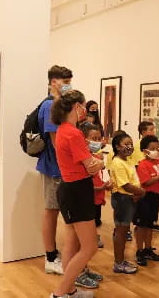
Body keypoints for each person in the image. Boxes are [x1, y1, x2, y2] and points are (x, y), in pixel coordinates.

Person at [50, 90, 104, 298]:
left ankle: (69, 291)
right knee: (89, 247)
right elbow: (91, 166)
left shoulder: (64, 130)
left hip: (70, 190)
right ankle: (60, 292)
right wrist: (100, 162)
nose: (85, 110)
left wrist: (93, 161)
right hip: (76, 191)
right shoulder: (72, 133)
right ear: (76, 107)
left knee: (72, 243)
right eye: (82, 106)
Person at [37, 65, 73, 275]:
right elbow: (55, 140)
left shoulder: (59, 104)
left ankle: (55, 254)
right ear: (53, 82)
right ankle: (50, 257)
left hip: (59, 167)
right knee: (51, 211)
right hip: (54, 168)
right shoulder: (51, 106)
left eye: (69, 80)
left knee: (55, 210)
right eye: (64, 80)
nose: (67, 84)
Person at [110, 132, 146, 274]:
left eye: (131, 143)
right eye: (126, 144)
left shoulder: (127, 160)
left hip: (129, 199)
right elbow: (125, 185)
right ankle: (118, 263)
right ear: (118, 147)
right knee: (121, 231)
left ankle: (120, 260)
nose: (130, 147)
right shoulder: (117, 162)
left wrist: (137, 193)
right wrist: (141, 192)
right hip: (122, 199)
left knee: (124, 231)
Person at [133, 135, 159, 266]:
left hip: (155, 196)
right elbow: (146, 182)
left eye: (157, 148)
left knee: (150, 224)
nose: (156, 151)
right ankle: (139, 250)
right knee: (141, 225)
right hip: (144, 197)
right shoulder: (143, 164)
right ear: (145, 150)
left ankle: (148, 248)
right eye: (152, 148)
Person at [130, 121, 159, 233]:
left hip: (155, 193)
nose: (153, 132)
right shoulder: (142, 161)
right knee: (143, 220)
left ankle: (150, 232)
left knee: (151, 219)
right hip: (144, 193)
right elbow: (145, 180)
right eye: (151, 129)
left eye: (157, 149)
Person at [80, 123, 112, 248]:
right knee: (89, 220)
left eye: (99, 139)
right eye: (94, 139)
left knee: (96, 220)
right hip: (89, 196)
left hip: (98, 196)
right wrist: (101, 188)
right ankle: (88, 239)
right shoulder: (84, 159)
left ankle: (94, 236)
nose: (98, 142)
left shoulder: (95, 157)